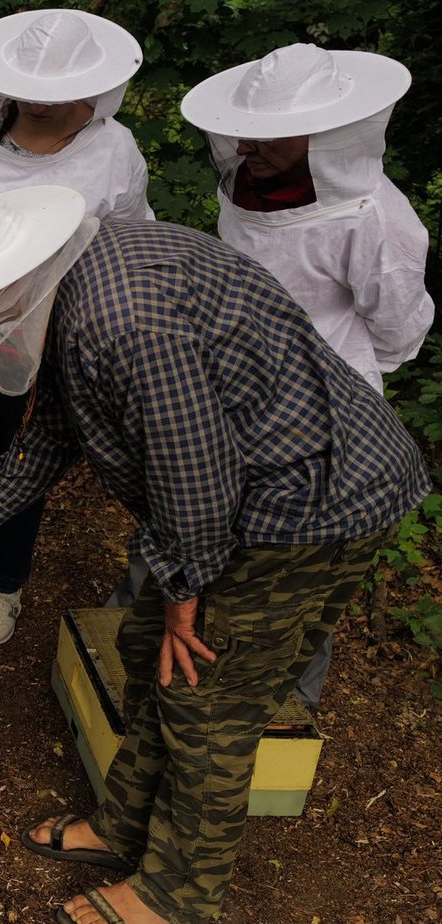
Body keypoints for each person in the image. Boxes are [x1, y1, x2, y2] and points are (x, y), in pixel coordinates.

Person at [0, 181, 429, 924]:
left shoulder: (123, 318)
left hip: (309, 503)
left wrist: (186, 592)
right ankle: (124, 822)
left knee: (207, 694)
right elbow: (58, 421)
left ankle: (180, 890)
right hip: (257, 490)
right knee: (142, 647)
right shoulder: (73, 283)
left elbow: (196, 475)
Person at [181, 42, 434, 710]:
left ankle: (285, 716)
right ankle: (175, 671)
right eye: (245, 130)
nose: (245, 145)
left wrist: (328, 375)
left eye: (269, 135)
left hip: (328, 423)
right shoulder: (249, 182)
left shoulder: (379, 220)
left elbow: (398, 332)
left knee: (299, 568)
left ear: (327, 134)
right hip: (232, 395)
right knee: (196, 536)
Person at [0, 8, 152, 645]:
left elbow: (130, 242)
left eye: (54, 92)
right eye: (27, 89)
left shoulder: (115, 150)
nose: (38, 103)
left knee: (25, 462)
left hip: (55, 336)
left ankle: (6, 586)